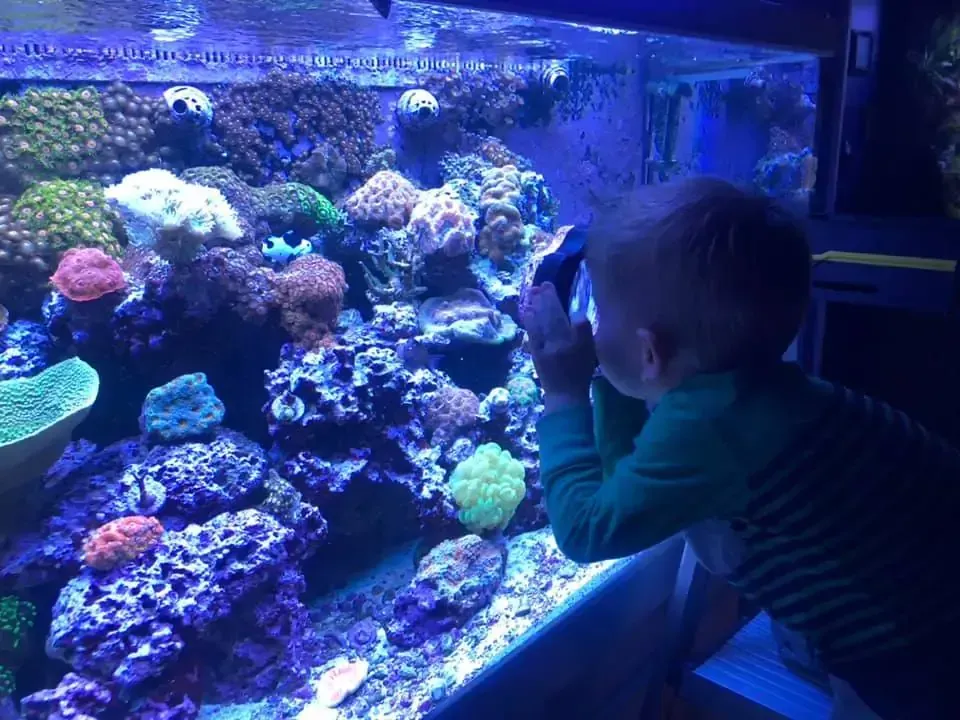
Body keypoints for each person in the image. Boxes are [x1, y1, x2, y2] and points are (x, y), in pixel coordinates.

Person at [521, 176, 960, 720]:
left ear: (650, 353)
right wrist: (607, 378)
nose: (589, 321)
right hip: (922, 570)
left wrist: (563, 394)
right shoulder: (739, 388)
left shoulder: (710, 428)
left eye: (599, 309)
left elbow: (588, 529)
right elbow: (629, 477)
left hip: (914, 640)